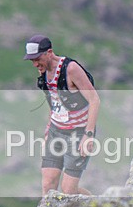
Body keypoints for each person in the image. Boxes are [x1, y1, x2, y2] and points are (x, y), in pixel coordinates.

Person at [25, 34, 100, 195]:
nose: (35, 64)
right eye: (32, 60)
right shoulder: (43, 72)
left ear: (49, 52)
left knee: (68, 191)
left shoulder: (70, 69)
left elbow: (94, 100)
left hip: (79, 133)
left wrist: (88, 135)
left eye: (37, 58)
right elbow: (53, 101)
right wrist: (47, 131)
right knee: (48, 185)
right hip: (56, 131)